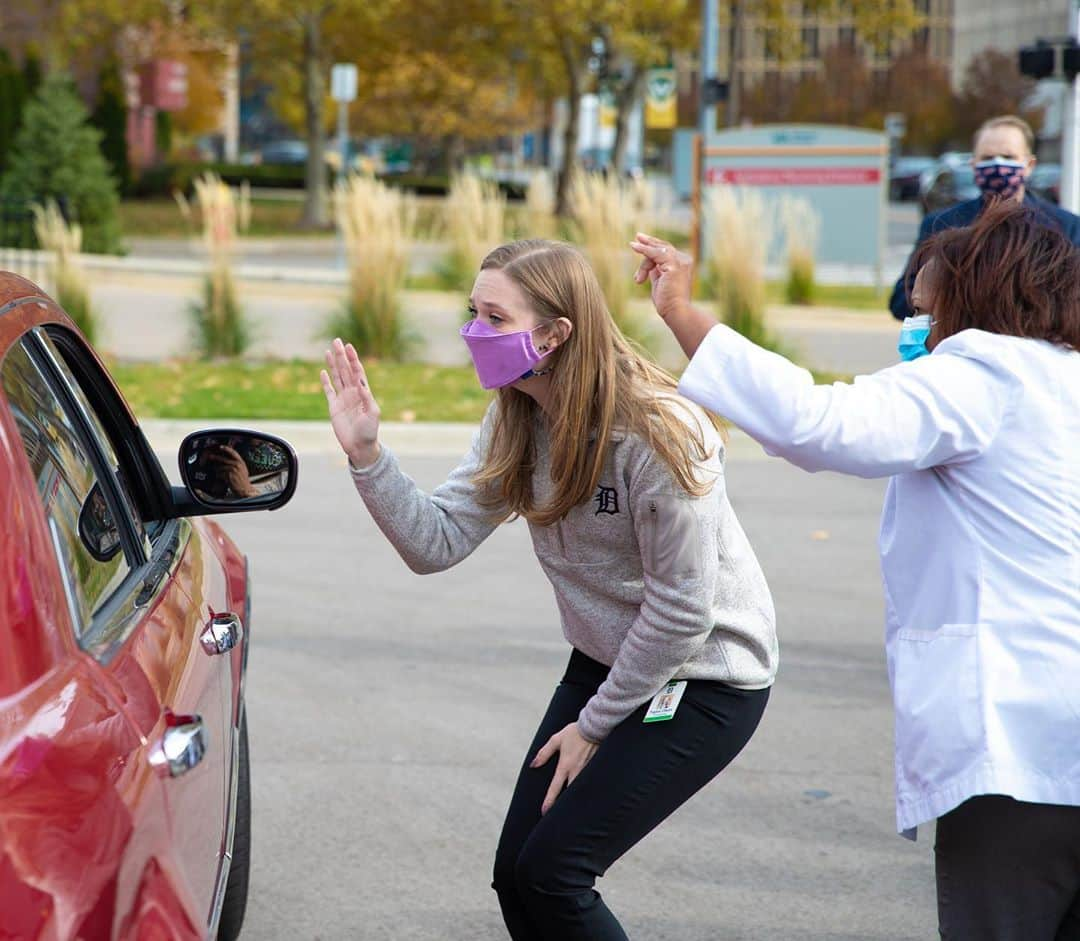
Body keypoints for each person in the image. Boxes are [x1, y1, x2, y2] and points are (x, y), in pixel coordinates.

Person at [631, 200, 1080, 940]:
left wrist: (682, 313)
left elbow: (815, 421)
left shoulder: (982, 373)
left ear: (985, 294)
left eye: (929, 308)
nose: (920, 324)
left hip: (1022, 748)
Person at [320, 239, 778, 940]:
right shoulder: (517, 413)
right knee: (518, 876)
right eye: (472, 312)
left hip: (704, 677)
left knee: (554, 874)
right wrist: (367, 456)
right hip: (608, 661)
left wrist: (593, 727)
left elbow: (685, 610)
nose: (475, 332)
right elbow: (434, 541)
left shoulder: (656, 433)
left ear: (556, 333)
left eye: (495, 317)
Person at [889, 114, 1080, 320]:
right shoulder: (943, 224)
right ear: (973, 165)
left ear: (1029, 165)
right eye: (988, 158)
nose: (998, 165)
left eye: (1008, 157)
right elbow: (902, 301)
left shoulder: (1066, 227)